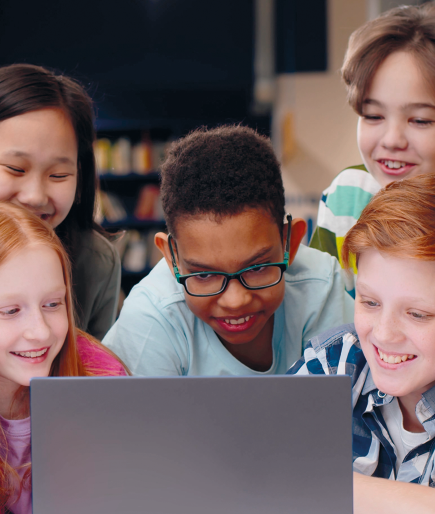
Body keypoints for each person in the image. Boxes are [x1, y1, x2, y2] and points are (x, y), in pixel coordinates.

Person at [289, 174, 435, 514]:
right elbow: (246, 496)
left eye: (417, 314)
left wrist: (298, 482)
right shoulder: (335, 363)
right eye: (369, 302)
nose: (382, 335)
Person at [104, 125, 354, 376]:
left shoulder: (321, 287)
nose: (236, 301)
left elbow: (346, 408)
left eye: (257, 268)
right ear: (172, 258)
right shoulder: (150, 318)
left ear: (290, 242)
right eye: (203, 275)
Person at [0, 202, 127, 514]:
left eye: (53, 304)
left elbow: (128, 503)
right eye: (10, 311)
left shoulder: (99, 376)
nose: (40, 331)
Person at [310, 3, 435, 294]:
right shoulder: (346, 197)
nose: (392, 139)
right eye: (373, 116)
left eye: (420, 120)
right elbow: (322, 308)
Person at [0, 63, 121, 340]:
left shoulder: (94, 261)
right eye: (15, 169)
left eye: (58, 175)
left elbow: (94, 374)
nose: (35, 196)